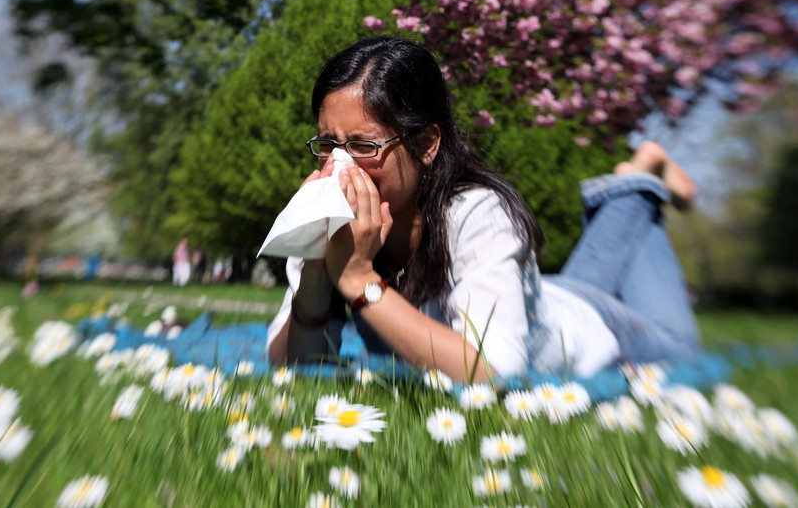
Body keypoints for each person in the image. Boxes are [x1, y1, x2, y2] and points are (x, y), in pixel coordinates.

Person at [266, 36, 701, 382]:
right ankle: (636, 180)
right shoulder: (329, 221)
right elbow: (296, 371)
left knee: (683, 353)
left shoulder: (477, 212)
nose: (339, 167)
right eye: (327, 145)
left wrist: (360, 280)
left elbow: (494, 371)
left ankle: (640, 184)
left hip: (596, 329)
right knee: (568, 290)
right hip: (539, 300)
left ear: (426, 144)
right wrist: (320, 274)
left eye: (363, 146)